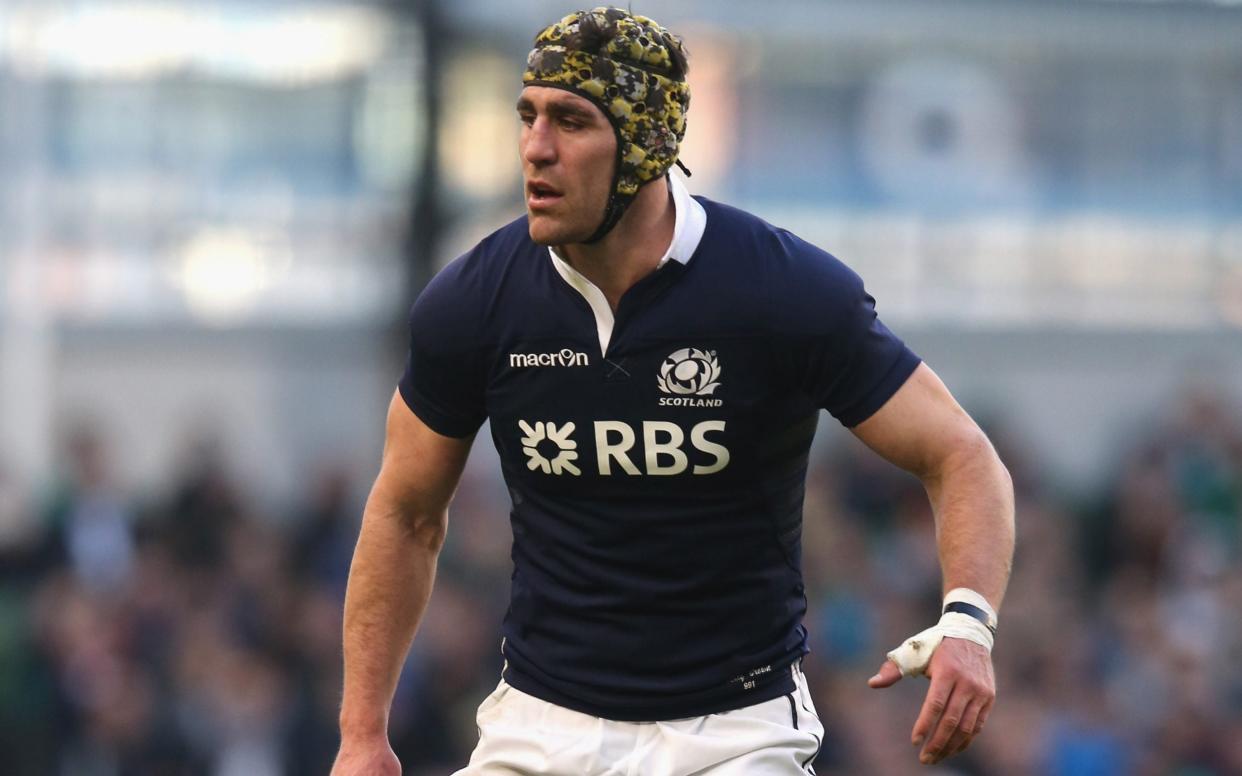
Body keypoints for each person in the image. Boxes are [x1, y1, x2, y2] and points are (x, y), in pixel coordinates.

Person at [332, 7, 1015, 775]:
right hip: (539, 724)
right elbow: (406, 511)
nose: (535, 148)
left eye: (571, 120)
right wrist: (362, 734)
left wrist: (969, 623)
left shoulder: (779, 290)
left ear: (646, 142)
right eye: (527, 116)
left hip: (734, 734)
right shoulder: (475, 301)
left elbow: (961, 454)